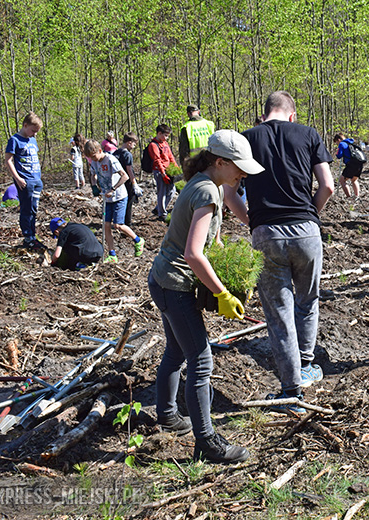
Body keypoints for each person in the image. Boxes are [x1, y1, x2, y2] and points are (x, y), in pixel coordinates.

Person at [149, 129, 263, 462]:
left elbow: (209, 241)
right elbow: (193, 254)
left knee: (175, 351)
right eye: (239, 167)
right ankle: (207, 442)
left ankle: (168, 416)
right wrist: (222, 293)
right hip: (174, 285)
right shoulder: (207, 192)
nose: (243, 174)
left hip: (163, 279)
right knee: (201, 361)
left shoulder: (206, 183)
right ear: (220, 162)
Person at [242, 91, 334, 413]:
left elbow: (229, 192)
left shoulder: (247, 138)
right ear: (292, 114)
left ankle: (291, 391)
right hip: (306, 230)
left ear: (264, 114)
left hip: (266, 232)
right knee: (307, 300)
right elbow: (328, 185)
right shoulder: (308, 134)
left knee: (279, 312)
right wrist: (311, 215)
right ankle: (306, 365)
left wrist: (253, 222)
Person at [85, 140, 145, 263]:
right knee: (106, 225)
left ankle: (138, 240)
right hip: (107, 199)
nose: (93, 159)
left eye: (94, 156)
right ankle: (112, 254)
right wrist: (94, 186)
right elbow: (93, 175)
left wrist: (113, 189)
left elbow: (125, 176)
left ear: (100, 151)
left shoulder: (110, 160)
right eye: (91, 158)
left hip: (119, 196)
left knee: (118, 225)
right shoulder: (94, 162)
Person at [5, 112, 45, 250]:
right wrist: (17, 178)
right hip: (24, 180)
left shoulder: (32, 140)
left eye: (37, 131)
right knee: (26, 209)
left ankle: (33, 236)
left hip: (36, 180)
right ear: (25, 125)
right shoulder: (14, 140)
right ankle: (28, 238)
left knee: (34, 209)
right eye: (33, 130)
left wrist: (39, 178)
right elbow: (8, 160)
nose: (35, 134)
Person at [112, 132, 144, 226]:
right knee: (129, 201)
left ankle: (117, 220)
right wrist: (134, 183)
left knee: (119, 201)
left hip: (118, 181)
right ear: (129, 142)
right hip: (127, 181)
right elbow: (129, 170)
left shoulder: (115, 153)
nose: (134, 146)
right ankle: (127, 223)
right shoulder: (127, 154)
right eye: (134, 144)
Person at [149, 124, 179, 221]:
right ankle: (162, 214)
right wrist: (163, 174)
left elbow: (171, 157)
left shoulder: (165, 143)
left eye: (167, 136)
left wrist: (176, 169)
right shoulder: (153, 145)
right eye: (165, 135)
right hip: (159, 171)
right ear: (159, 133)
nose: (166, 138)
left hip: (168, 170)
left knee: (172, 190)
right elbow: (157, 160)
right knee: (162, 192)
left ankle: (158, 208)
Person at [333, 133, 364, 198]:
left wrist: (337, 153)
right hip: (359, 163)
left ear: (338, 140)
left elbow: (339, 156)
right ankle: (357, 196)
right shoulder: (352, 142)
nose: (337, 144)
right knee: (354, 180)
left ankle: (348, 197)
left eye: (336, 142)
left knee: (342, 180)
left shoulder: (341, 144)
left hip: (351, 165)